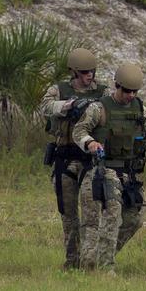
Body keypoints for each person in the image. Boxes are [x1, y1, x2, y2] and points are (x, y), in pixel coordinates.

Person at [70, 63, 146, 273]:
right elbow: (79, 131)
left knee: (135, 219)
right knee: (112, 214)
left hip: (131, 174)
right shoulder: (99, 108)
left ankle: (99, 258)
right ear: (117, 86)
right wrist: (90, 143)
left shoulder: (140, 109)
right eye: (126, 91)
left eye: (134, 92)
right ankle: (106, 269)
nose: (130, 95)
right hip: (106, 170)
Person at [40, 47, 106, 269]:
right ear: (75, 72)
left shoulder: (103, 92)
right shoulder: (59, 90)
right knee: (68, 215)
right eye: (85, 72)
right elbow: (45, 107)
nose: (90, 76)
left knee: (91, 215)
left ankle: (89, 262)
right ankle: (72, 261)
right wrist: (67, 106)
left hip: (90, 160)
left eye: (92, 72)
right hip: (64, 158)